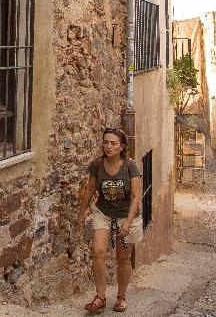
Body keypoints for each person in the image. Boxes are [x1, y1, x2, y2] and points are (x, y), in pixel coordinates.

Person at [76, 127, 143, 313]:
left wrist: (128, 223)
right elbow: (89, 190)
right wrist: (82, 213)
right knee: (97, 251)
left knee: (123, 257)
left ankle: (121, 296)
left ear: (121, 147)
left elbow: (136, 197)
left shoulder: (130, 166)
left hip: (126, 214)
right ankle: (100, 297)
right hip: (103, 212)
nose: (108, 146)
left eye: (113, 143)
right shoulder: (97, 165)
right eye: (105, 142)